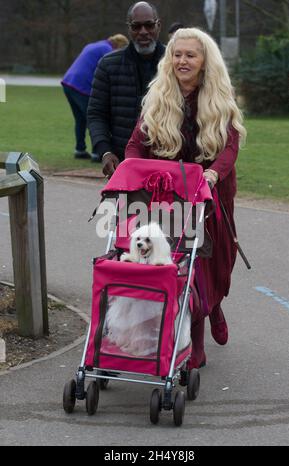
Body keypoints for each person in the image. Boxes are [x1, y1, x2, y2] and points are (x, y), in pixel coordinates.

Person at [125, 27, 247, 369]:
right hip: (168, 194)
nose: (182, 61)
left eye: (190, 55)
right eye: (177, 55)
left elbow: (230, 146)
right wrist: (130, 167)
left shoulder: (220, 97)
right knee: (183, 262)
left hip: (212, 192)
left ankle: (215, 306)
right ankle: (195, 342)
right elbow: (137, 141)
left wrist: (213, 173)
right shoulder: (160, 95)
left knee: (217, 261)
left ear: (204, 60)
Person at [87, 1, 165, 172]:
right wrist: (105, 151)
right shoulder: (108, 65)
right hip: (123, 163)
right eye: (136, 26)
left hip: (166, 162)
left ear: (158, 25)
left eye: (149, 25)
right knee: (126, 201)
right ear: (129, 28)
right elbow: (96, 113)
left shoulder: (174, 64)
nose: (143, 32)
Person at [61, 34, 129, 160]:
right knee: (94, 119)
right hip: (82, 86)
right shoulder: (107, 51)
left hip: (68, 82)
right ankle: (97, 153)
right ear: (119, 46)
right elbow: (108, 72)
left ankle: (80, 149)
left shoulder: (95, 45)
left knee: (80, 119)